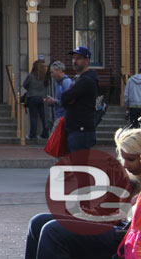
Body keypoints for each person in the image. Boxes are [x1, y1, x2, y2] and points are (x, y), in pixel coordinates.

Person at [24, 126, 141, 258]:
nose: (125, 164)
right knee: (38, 221)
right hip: (117, 226)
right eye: (122, 158)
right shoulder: (131, 180)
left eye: (131, 159)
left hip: (128, 238)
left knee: (54, 231)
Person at [61, 46, 99, 152]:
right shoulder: (78, 79)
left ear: (87, 61)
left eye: (78, 58)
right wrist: (69, 101)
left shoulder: (86, 80)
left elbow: (65, 98)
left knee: (79, 165)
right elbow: (66, 99)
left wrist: (69, 100)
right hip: (76, 129)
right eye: (74, 58)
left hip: (81, 130)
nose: (74, 61)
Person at [23, 59, 50, 141]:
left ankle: (32, 135)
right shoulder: (45, 77)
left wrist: (30, 89)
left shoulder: (30, 76)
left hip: (32, 97)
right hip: (43, 98)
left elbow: (25, 84)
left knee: (33, 117)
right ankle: (45, 134)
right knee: (44, 117)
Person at [44, 61, 72, 126]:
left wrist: (55, 101)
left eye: (52, 72)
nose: (51, 75)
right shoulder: (59, 82)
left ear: (59, 70)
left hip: (63, 117)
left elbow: (69, 101)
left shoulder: (65, 82)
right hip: (60, 116)